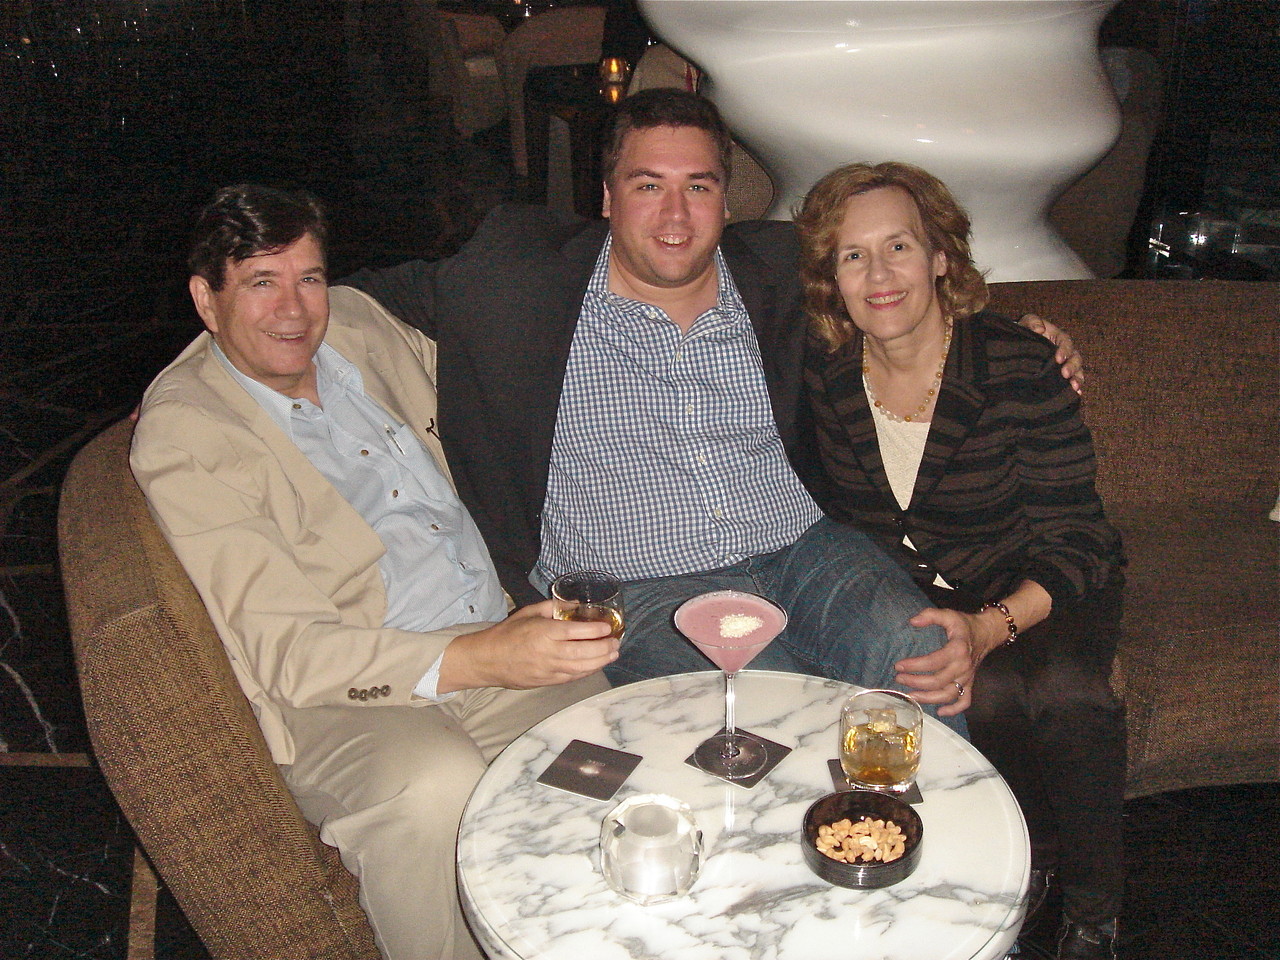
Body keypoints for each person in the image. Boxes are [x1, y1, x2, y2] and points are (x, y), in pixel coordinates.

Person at [342, 88, 1081, 726]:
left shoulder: (780, 271)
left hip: (803, 550)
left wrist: (1014, 332)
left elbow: (900, 284)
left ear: (728, 201)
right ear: (605, 197)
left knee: (923, 656)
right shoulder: (517, 279)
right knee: (772, 713)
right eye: (647, 185)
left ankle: (942, 870)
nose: (675, 214)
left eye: (698, 186)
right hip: (641, 588)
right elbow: (353, 294)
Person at [130, 185, 617, 960]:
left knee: (602, 755)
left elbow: (489, 372)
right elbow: (293, 654)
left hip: (485, 627)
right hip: (344, 694)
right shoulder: (187, 435)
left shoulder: (356, 326)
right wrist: (478, 659)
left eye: (310, 278)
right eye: (261, 282)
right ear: (206, 299)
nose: (295, 310)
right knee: (432, 788)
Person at [794, 161, 1126, 960]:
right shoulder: (824, 375)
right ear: (830, 279)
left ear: (941, 257)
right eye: (852, 255)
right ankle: (1033, 859)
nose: (879, 274)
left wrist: (991, 624)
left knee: (1063, 690)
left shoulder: (1016, 363)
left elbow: (1078, 536)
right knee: (986, 694)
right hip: (928, 593)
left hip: (1046, 578)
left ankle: (1094, 912)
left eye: (899, 246)